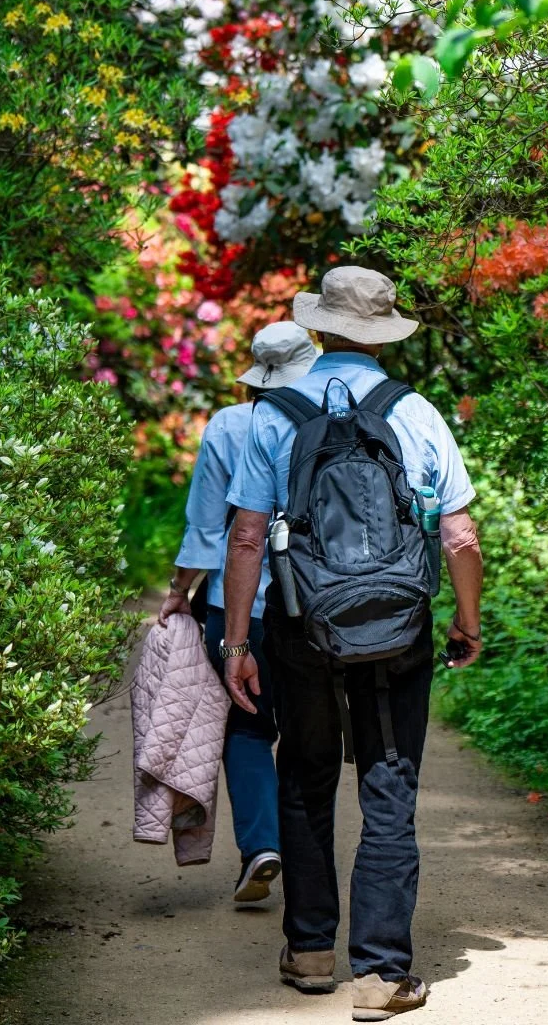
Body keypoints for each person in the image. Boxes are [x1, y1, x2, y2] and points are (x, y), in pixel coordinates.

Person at [221, 266, 484, 1021]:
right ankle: (380, 975)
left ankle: (309, 952)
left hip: (302, 624)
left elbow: (245, 535)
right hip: (397, 626)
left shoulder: (276, 412)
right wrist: (466, 619)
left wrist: (237, 643)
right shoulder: (418, 413)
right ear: (381, 334)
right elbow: (459, 530)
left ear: (320, 329)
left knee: (304, 777)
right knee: (388, 783)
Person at [158, 320, 319, 904]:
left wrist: (180, 590)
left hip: (237, 608)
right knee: (307, 730)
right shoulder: (334, 424)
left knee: (247, 728)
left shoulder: (229, 425)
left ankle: (263, 845)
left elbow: (206, 527)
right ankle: (310, 865)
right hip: (317, 607)